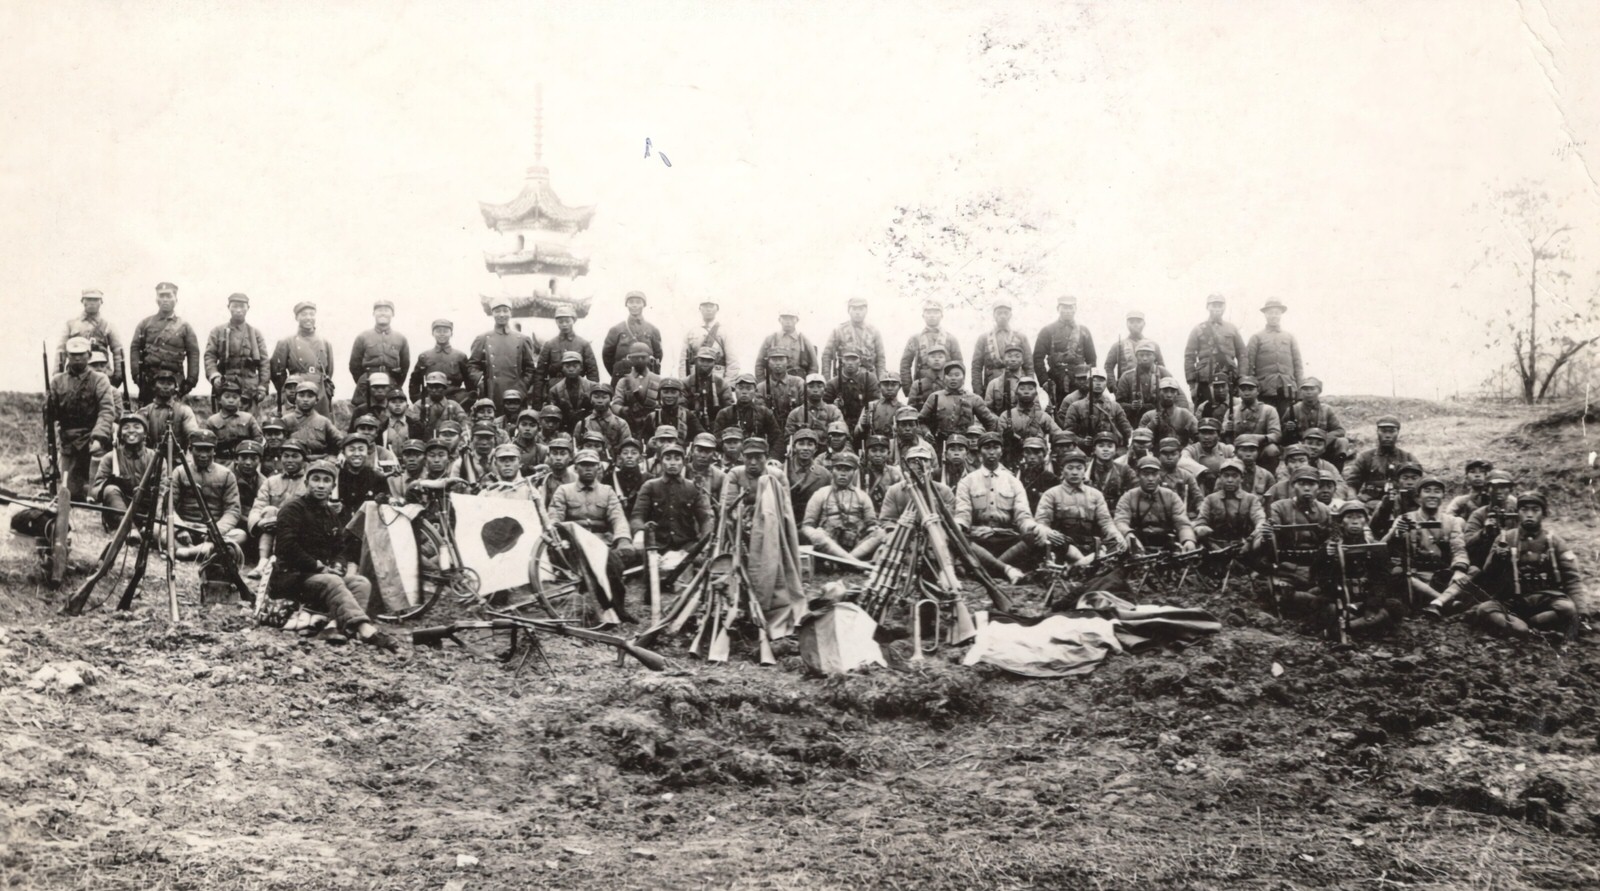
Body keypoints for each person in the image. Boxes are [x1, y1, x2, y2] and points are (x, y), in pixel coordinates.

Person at [267, 459, 400, 651]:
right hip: (291, 578)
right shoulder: (292, 509)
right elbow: (287, 548)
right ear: (307, 483)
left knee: (361, 583)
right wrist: (319, 567)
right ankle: (366, 630)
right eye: (316, 479)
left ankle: (333, 627)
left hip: (319, 578)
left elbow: (339, 549)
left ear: (332, 486)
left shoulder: (330, 514)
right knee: (332, 581)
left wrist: (338, 566)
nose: (321, 485)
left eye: (326, 481)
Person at [1453, 492, 1586, 639]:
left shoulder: (1554, 542)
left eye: (1535, 510)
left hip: (1547, 600)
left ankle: (1529, 625)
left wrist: (1582, 613)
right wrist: (1498, 558)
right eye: (1524, 510)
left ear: (1544, 513)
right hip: (1513, 600)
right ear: (1517, 513)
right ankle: (1529, 631)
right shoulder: (1505, 538)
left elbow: (1572, 578)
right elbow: (1488, 574)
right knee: (1485, 609)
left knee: (1567, 608)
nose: (1529, 514)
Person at [549, 449, 637, 621]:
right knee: (607, 563)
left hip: (602, 542)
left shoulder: (607, 491)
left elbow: (617, 516)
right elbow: (555, 517)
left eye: (592, 465)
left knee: (614, 563)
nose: (588, 469)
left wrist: (624, 539)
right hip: (574, 544)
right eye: (583, 465)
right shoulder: (564, 490)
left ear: (598, 468)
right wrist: (558, 537)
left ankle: (617, 608)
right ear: (576, 468)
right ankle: (609, 609)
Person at [1304, 500, 1404, 635]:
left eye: (1359, 517)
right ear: (1341, 522)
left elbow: (1381, 579)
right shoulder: (1330, 546)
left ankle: (1345, 628)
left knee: (1394, 606)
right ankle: (1361, 624)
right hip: (1339, 597)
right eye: (1349, 517)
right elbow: (1319, 577)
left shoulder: (1374, 547)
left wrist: (1372, 604)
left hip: (1366, 597)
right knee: (1326, 607)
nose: (1355, 521)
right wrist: (1327, 557)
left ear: (1366, 521)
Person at [954, 431, 1040, 576]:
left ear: (1001, 451)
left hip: (1006, 539)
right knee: (956, 537)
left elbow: (1022, 513)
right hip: (979, 539)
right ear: (980, 452)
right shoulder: (967, 481)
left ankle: (986, 567)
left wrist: (1032, 527)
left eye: (996, 447)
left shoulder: (1013, 481)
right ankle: (1005, 569)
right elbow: (963, 513)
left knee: (1034, 538)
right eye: (987, 448)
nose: (992, 452)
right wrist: (958, 525)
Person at [1025, 447, 1124, 570]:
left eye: (1079, 468)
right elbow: (1042, 521)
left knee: (1118, 544)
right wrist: (1048, 532)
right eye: (1070, 468)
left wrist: (1115, 534)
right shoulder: (1051, 494)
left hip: (1090, 545)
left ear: (1084, 470)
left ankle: (1075, 567)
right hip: (1065, 546)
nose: (1075, 472)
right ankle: (1090, 563)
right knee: (1038, 537)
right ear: (1062, 471)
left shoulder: (1095, 494)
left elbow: (1106, 522)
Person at [1385, 476, 1469, 610]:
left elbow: (1458, 548)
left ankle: (1437, 601)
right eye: (1427, 491)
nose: (1432, 495)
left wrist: (1459, 570)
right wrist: (1397, 533)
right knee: (1400, 576)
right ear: (1418, 497)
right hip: (1415, 575)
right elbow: (1385, 547)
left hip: (1442, 574)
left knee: (1472, 572)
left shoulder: (1452, 521)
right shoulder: (1405, 518)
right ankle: (1447, 601)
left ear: (1442, 497)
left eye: (1437, 491)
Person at [49, 337, 117, 500]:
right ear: (67, 356)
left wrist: (99, 438)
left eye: (81, 354)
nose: (77, 358)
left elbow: (107, 410)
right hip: (69, 440)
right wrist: (49, 407)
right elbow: (53, 416)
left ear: (88, 355)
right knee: (69, 493)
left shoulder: (99, 379)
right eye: (73, 355)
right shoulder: (57, 382)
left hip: (92, 438)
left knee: (95, 494)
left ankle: (96, 489)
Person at [168, 430, 245, 561]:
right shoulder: (180, 472)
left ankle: (186, 552)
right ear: (190, 450)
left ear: (214, 451)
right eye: (199, 450)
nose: (203, 455)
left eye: (208, 450)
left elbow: (233, 510)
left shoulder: (226, 474)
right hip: (185, 527)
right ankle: (204, 551)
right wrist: (179, 528)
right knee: (157, 529)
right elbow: (168, 505)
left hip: (212, 530)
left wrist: (217, 531)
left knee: (240, 535)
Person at [630, 440, 714, 557]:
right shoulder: (650, 486)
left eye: (677, 459)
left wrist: (705, 542)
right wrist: (639, 533)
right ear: (661, 462)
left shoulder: (693, 487)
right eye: (668, 458)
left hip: (686, 546)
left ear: (683, 462)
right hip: (656, 546)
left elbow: (705, 519)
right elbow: (637, 516)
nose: (672, 463)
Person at [801, 451, 884, 562]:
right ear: (832, 470)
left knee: (880, 533)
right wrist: (816, 534)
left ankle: (844, 561)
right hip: (829, 544)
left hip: (856, 544)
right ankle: (853, 562)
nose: (843, 473)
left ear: (854, 472)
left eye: (848, 470)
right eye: (839, 469)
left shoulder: (862, 496)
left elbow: (871, 524)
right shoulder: (821, 494)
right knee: (818, 534)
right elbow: (807, 526)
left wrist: (872, 529)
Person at [246, 440, 311, 578]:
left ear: (304, 459)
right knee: (269, 510)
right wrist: (258, 523)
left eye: (295, 456)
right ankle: (262, 563)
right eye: (286, 456)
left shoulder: (309, 482)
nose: (289, 460)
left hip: (299, 530)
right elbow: (258, 506)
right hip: (271, 527)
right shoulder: (271, 481)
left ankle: (276, 564)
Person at [1266, 467, 1335, 594]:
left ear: (1318, 487)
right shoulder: (1279, 508)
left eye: (1312, 484)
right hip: (1287, 567)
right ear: (1293, 486)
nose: (1307, 488)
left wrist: (1330, 545)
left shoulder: (1324, 510)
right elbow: (1271, 534)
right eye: (1302, 484)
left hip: (1317, 567)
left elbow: (1332, 536)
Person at [468, 296, 540, 411]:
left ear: (511, 313)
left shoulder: (522, 339)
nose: (501, 314)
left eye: (505, 311)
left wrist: (522, 387)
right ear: (492, 313)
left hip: (516, 392)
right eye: (497, 311)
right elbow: (472, 365)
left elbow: (530, 369)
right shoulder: (482, 338)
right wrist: (481, 381)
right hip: (491, 391)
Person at [203, 292, 269, 415]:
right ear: (228, 307)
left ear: (247, 308)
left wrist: (262, 386)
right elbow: (209, 356)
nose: (238, 310)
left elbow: (264, 362)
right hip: (225, 385)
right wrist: (214, 376)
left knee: (249, 424)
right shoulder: (217, 331)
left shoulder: (255, 334)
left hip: (249, 387)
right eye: (235, 306)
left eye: (242, 306)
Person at [1114, 457, 1197, 553]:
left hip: (1167, 547)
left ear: (1159, 476)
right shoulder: (1128, 497)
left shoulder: (1171, 496)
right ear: (1138, 475)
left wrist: (1188, 540)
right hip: (1138, 546)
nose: (1150, 479)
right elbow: (1120, 521)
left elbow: (1182, 523)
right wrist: (1128, 535)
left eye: (1154, 474)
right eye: (1145, 474)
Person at [267, 302, 335, 416]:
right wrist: (288, 391)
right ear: (297, 317)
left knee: (321, 426)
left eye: (312, 314)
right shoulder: (287, 341)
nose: (308, 318)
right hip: (297, 389)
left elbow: (329, 371)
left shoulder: (325, 342)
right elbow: (276, 372)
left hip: (320, 391)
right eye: (304, 314)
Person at [347, 299, 411, 418]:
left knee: (391, 416)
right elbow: (354, 364)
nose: (383, 313)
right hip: (368, 382)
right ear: (373, 314)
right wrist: (365, 379)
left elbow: (405, 365)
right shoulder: (363, 337)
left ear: (392, 314)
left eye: (386, 310)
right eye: (379, 310)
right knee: (363, 415)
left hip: (390, 382)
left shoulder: (400, 338)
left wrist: (395, 382)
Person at [1183, 293, 1246, 406]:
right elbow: (1189, 356)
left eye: (1220, 305)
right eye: (1214, 305)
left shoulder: (1231, 328)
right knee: (1206, 411)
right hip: (1205, 379)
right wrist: (1192, 385)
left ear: (1224, 307)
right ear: (1208, 307)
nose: (1217, 309)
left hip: (1229, 377)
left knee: (1231, 411)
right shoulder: (1198, 329)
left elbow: (1242, 354)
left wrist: (1241, 378)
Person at [1033, 294, 1096, 406]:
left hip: (1079, 380)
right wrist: (1044, 381)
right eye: (1064, 307)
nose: (1067, 311)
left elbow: (1092, 359)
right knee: (1057, 412)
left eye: (1070, 307)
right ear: (1058, 309)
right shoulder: (1048, 330)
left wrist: (1089, 381)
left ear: (1075, 309)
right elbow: (1038, 358)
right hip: (1056, 380)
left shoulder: (1083, 331)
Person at [91, 413, 153, 526]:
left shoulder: (154, 458)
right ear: (120, 434)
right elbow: (95, 493)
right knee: (110, 489)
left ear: (145, 433)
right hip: (118, 511)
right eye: (126, 428)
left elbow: (164, 489)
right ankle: (129, 528)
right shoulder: (110, 458)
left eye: (137, 427)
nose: (131, 431)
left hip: (148, 512)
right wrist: (108, 483)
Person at [1245, 298, 1302, 419]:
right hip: (1265, 390)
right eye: (1270, 312)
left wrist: (1300, 387)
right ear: (1265, 314)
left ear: (1281, 314)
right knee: (1267, 421)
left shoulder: (1289, 337)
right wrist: (1252, 388)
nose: (1274, 316)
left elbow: (1298, 364)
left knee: (1288, 422)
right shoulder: (1257, 337)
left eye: (1277, 312)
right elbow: (1249, 365)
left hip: (1287, 389)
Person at [1192, 459, 1267, 552]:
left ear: (1242, 478)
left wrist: (1251, 539)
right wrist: (1202, 529)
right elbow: (1201, 520)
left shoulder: (1251, 499)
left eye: (1235, 476)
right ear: (1220, 477)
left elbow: (1260, 519)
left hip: (1243, 547)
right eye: (1226, 475)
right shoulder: (1210, 499)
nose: (1230, 480)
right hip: (1215, 547)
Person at [59, 288, 126, 391]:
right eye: (88, 299)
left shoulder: (108, 326)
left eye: (95, 300)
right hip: (75, 376)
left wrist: (117, 377)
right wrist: (58, 376)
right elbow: (61, 351)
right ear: (82, 301)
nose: (92, 303)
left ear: (101, 302)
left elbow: (118, 352)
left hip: (102, 376)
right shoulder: (71, 325)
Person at [1343, 416, 1420, 505]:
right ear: (1377, 432)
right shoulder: (1366, 457)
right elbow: (1351, 483)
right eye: (1383, 431)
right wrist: (1352, 499)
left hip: (1401, 503)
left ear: (1398, 432)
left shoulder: (1407, 457)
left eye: (1391, 431)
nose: (1387, 435)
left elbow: (1422, 481)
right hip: (1370, 502)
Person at [918, 361, 999, 446]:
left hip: (965, 445)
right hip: (939, 443)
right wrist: (926, 432)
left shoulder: (974, 399)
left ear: (963, 378)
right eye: (949, 375)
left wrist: (985, 441)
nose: (953, 378)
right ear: (944, 378)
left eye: (957, 375)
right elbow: (920, 420)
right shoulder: (935, 397)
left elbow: (990, 422)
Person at [901, 300, 964, 399]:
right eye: (928, 312)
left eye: (936, 312)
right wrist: (909, 389)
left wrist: (958, 387)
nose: (932, 316)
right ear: (923, 315)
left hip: (946, 386)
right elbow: (905, 364)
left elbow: (959, 365)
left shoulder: (951, 339)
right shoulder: (915, 338)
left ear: (941, 315)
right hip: (922, 387)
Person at [1116, 340, 1190, 424]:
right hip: (1135, 419)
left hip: (1161, 417)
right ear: (1136, 356)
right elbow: (1119, 403)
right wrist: (1131, 406)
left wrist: (1181, 416)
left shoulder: (1163, 372)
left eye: (1148, 355)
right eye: (1141, 355)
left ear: (1154, 356)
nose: (1145, 358)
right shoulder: (1127, 376)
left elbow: (1180, 396)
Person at [996, 375, 1062, 467]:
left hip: (1038, 461)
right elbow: (998, 442)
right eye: (1022, 388)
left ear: (1035, 393)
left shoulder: (1043, 416)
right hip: (1013, 460)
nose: (1026, 391)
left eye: (1030, 389)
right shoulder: (1006, 416)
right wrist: (1007, 438)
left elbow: (1059, 436)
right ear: (1016, 392)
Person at [971, 296, 1031, 396]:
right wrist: (978, 392)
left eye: (1006, 313)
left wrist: (1029, 386)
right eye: (999, 313)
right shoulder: (984, 338)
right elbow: (976, 367)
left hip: (1017, 387)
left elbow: (1029, 365)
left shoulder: (1021, 337)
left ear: (1010, 315)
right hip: (992, 387)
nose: (1002, 316)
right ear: (994, 315)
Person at [1281, 378, 1348, 466]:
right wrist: (1288, 428)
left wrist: (1323, 441)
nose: (1309, 392)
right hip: (1300, 449)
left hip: (1323, 448)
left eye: (1312, 389)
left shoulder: (1326, 409)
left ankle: (1336, 473)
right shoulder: (1293, 409)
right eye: (1305, 389)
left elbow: (1339, 430)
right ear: (1301, 391)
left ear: (1319, 391)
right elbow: (1281, 436)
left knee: (1342, 441)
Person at [408, 319, 473, 408]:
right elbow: (415, 381)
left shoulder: (460, 356)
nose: (442, 334)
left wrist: (468, 400)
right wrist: (418, 400)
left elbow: (469, 381)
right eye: (438, 331)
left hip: (456, 400)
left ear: (451, 333)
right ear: (433, 333)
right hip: (431, 399)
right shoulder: (425, 356)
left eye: (445, 331)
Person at [715, 374, 785, 456]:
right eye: (740, 388)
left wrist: (773, 458)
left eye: (749, 388)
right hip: (732, 456)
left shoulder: (765, 412)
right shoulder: (725, 413)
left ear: (755, 391)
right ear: (735, 390)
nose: (744, 392)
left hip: (758, 455)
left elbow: (777, 438)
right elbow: (718, 439)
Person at [1059, 368, 1131, 447]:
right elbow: (1068, 433)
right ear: (1087, 383)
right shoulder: (1076, 407)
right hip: (1085, 450)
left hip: (1109, 447)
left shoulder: (1115, 406)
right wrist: (1082, 441)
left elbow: (1126, 429)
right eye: (1094, 380)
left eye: (1101, 380)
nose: (1098, 383)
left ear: (1106, 383)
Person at [539, 304, 599, 396]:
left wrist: (593, 394)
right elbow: (540, 373)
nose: (564, 325)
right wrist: (537, 403)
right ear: (556, 322)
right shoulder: (550, 345)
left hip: (579, 390)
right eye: (560, 322)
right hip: (554, 390)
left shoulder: (583, 344)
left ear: (574, 321)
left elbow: (592, 372)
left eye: (567, 321)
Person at [821, 296, 887, 379]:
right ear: (849, 311)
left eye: (861, 309)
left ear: (866, 311)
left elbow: (880, 359)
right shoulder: (839, 331)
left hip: (868, 377)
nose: (857, 312)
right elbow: (827, 355)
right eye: (854, 309)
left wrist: (881, 380)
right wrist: (826, 380)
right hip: (844, 377)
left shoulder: (874, 331)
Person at [601, 290, 663, 379]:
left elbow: (658, 355)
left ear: (643, 305)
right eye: (631, 302)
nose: (634, 305)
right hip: (622, 374)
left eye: (638, 302)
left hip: (647, 375)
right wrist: (617, 371)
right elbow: (607, 356)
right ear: (626, 305)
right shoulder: (616, 330)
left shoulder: (653, 330)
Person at [137, 367, 202, 451]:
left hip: (177, 459)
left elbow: (193, 435)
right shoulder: (145, 412)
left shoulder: (184, 411)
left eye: (169, 383)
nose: (165, 387)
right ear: (153, 386)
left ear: (175, 387)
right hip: (151, 459)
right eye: (161, 383)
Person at [1461, 470, 1518, 565]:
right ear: (1487, 490)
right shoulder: (1479, 514)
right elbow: (1467, 542)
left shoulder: (1517, 513)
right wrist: (1483, 532)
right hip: (1484, 561)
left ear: (1510, 489)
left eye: (1503, 487)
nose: (1499, 491)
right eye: (1494, 487)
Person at [203, 379, 264, 463]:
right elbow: (206, 445)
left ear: (240, 400)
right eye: (227, 397)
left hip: (245, 461)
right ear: (219, 400)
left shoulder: (248, 418)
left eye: (235, 397)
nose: (231, 400)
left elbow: (258, 441)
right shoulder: (212, 421)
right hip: (221, 462)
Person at [335, 434, 390, 524]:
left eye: (361, 449)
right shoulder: (336, 476)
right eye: (351, 450)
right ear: (343, 452)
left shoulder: (377, 477)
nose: (357, 454)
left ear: (367, 452)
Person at [280, 379, 342, 458]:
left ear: (316, 400)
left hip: (319, 462)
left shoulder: (323, 421)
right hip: (294, 462)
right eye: (301, 395)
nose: (305, 399)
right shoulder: (286, 420)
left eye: (310, 396)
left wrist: (340, 454)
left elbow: (340, 440)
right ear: (295, 399)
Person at [612, 342, 664, 437]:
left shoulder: (657, 380)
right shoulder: (624, 381)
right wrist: (623, 410)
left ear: (649, 358)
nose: (640, 360)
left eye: (643, 357)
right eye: (636, 358)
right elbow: (615, 404)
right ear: (630, 359)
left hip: (652, 425)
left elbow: (663, 403)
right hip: (630, 424)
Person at [1228, 377, 1283, 464]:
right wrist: (1226, 429)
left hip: (1260, 450)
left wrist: (1258, 438)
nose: (1246, 392)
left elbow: (1276, 435)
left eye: (1250, 389)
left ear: (1258, 391)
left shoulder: (1269, 410)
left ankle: (1268, 475)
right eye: (1243, 389)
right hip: (1239, 450)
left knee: (1272, 450)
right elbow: (1222, 435)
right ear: (1238, 392)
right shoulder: (1232, 411)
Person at [826, 348, 880, 430]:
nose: (850, 363)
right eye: (847, 359)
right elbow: (825, 407)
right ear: (842, 362)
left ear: (860, 362)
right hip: (840, 425)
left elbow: (876, 402)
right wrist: (834, 406)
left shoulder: (869, 379)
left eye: (854, 359)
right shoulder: (833, 383)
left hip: (864, 424)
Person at [756, 309, 818, 380]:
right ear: (779, 320)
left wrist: (807, 384)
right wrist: (763, 384)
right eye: (785, 318)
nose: (788, 322)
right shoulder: (770, 339)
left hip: (798, 382)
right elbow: (759, 364)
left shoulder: (803, 340)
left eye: (791, 318)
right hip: (775, 383)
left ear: (797, 320)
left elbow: (814, 366)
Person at [1103, 309, 1162, 382]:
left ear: (1144, 323)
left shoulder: (1153, 345)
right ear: (1127, 324)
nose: (1135, 324)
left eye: (1138, 322)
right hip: (1125, 387)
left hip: (1149, 387)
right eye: (1131, 322)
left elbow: (1161, 367)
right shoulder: (1118, 345)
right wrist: (1113, 384)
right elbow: (1108, 366)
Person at [681, 299, 737, 378]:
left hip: (717, 376)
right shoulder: (692, 331)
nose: (708, 309)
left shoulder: (724, 331)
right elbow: (683, 359)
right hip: (694, 378)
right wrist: (683, 382)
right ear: (700, 308)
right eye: (705, 306)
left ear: (717, 308)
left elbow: (732, 361)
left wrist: (727, 383)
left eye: (711, 306)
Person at [1138, 378, 1200, 448]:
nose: (1169, 395)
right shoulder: (1148, 416)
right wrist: (1151, 425)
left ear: (1177, 394)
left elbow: (1199, 434)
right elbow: (1139, 440)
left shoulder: (1185, 414)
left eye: (1173, 392)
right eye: (1165, 391)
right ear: (1158, 392)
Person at [784, 429, 832, 518]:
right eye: (801, 444)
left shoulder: (824, 475)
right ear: (794, 447)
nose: (805, 448)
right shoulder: (782, 471)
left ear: (816, 449)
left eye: (810, 444)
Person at [684, 348, 732, 434]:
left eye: (709, 361)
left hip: (716, 426)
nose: (705, 364)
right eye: (702, 360)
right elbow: (681, 407)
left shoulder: (722, 384)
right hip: (690, 425)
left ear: (714, 363)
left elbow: (728, 410)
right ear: (696, 361)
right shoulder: (686, 382)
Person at [411, 371, 469, 441]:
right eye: (431, 387)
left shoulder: (453, 405)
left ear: (445, 388)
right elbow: (412, 425)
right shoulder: (419, 405)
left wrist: (465, 436)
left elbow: (464, 423)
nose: (434, 390)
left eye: (438, 387)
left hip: (448, 441)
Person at [787, 373, 844, 443]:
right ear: (805, 389)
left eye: (819, 386)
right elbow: (789, 439)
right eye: (811, 387)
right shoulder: (795, 414)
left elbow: (842, 435)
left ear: (825, 390)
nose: (815, 390)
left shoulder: (833, 411)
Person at [1153, 437, 1203, 515]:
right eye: (1165, 454)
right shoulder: (1154, 475)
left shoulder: (1186, 475)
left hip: (1182, 514)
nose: (1169, 457)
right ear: (1159, 456)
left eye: (1173, 454)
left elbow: (1198, 498)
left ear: (1179, 456)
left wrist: (1200, 509)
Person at [1087, 431, 1137, 507]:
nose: (1105, 449)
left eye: (1110, 446)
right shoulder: (1086, 469)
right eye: (1101, 446)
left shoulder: (1123, 469)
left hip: (1117, 511)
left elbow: (1136, 485)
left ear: (1116, 450)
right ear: (1094, 450)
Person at [1184, 418, 1235, 492]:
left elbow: (1238, 462)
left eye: (1211, 433)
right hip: (1198, 489)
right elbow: (1182, 460)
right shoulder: (1192, 449)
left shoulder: (1226, 448)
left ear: (1218, 435)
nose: (1206, 437)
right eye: (1203, 433)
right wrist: (1204, 472)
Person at [983, 343, 1032, 417]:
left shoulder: (1029, 384)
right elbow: (987, 411)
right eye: (1009, 356)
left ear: (1022, 360)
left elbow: (1035, 410)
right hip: (999, 424)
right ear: (1003, 360)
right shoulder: (993, 384)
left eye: (1017, 356)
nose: (1013, 359)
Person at [1015, 436, 1060, 511]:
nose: (1032, 457)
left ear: (1044, 454)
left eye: (1037, 452)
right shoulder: (1018, 473)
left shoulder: (1053, 473)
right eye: (1028, 453)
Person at [686, 433, 727, 507]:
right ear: (692, 450)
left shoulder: (720, 477)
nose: (703, 455)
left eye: (708, 451)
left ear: (714, 453)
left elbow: (724, 505)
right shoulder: (683, 472)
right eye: (699, 450)